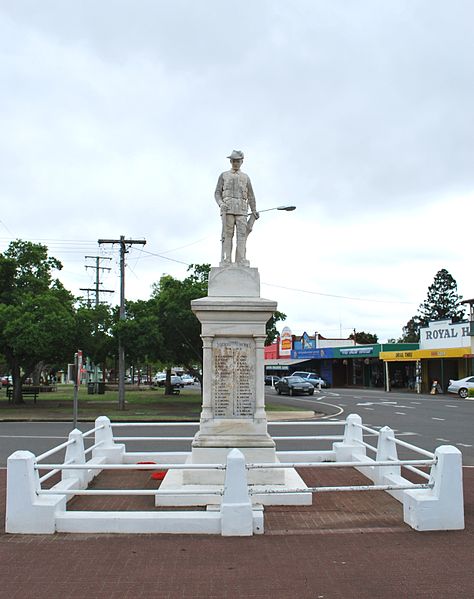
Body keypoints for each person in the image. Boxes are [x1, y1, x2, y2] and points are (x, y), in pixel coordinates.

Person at [214, 150, 259, 266]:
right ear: (230, 161)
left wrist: (254, 210)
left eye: (237, 161)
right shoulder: (224, 175)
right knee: (227, 235)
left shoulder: (246, 177)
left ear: (241, 162)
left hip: (242, 210)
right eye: (233, 161)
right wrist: (221, 203)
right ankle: (227, 260)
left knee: (242, 235)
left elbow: (251, 196)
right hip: (227, 209)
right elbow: (217, 193)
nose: (235, 163)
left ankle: (241, 260)